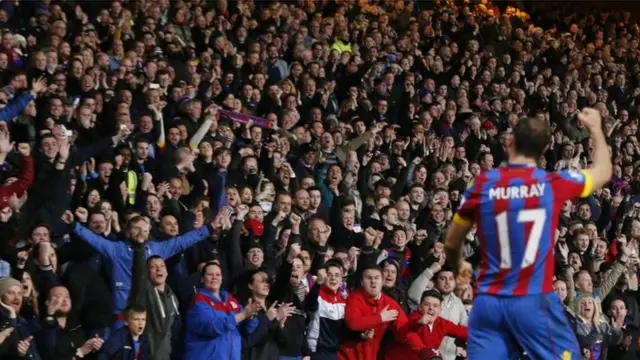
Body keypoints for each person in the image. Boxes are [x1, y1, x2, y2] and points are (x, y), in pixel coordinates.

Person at [444, 108, 613, 359]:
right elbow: (603, 172)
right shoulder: (552, 184)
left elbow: (451, 242)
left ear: (510, 143)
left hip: (489, 302)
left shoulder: (481, 185)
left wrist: (461, 270)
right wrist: (596, 129)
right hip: (533, 301)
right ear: (544, 148)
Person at [183, 261, 261, 360]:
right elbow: (210, 327)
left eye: (218, 275)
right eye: (210, 274)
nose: (214, 277)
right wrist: (242, 315)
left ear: (222, 278)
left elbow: (248, 329)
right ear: (202, 279)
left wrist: (250, 317)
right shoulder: (198, 300)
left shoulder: (231, 299)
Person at [338, 265, 407, 360]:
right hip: (349, 355)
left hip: (372, 355)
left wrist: (416, 324)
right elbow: (353, 323)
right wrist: (380, 318)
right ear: (362, 282)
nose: (373, 281)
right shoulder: (354, 299)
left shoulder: (389, 303)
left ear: (382, 281)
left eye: (376, 278)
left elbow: (404, 330)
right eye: (368, 278)